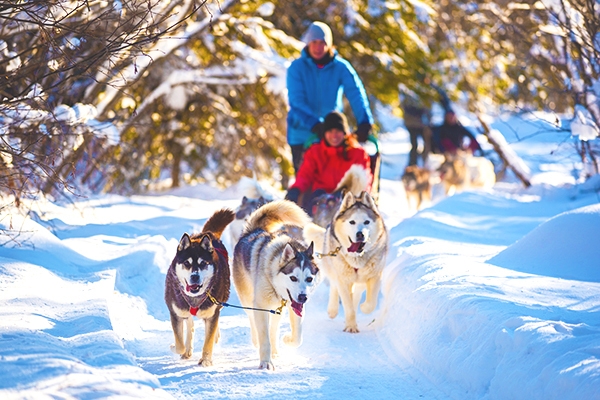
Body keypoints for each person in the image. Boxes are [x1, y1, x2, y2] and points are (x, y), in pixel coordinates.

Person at [286, 21, 374, 176]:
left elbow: (355, 93)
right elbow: (296, 101)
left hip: (331, 135)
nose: (318, 47)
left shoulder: (340, 67)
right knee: (305, 182)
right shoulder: (297, 68)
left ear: (329, 44)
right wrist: (316, 124)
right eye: (314, 42)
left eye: (322, 43)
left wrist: (364, 121)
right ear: (308, 44)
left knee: (329, 182)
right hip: (302, 133)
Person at [285, 111, 372, 212]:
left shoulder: (357, 153)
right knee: (317, 201)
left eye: (338, 131)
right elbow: (305, 175)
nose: (334, 136)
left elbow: (364, 182)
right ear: (324, 133)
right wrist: (296, 189)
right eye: (330, 131)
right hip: (320, 198)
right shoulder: (315, 152)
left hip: (347, 201)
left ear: (344, 133)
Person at [400, 91, 432, 166]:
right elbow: (407, 108)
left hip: (422, 125)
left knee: (426, 144)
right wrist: (420, 111)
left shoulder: (425, 93)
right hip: (412, 125)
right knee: (414, 145)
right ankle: (413, 164)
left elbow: (428, 110)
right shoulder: (407, 93)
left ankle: (424, 163)